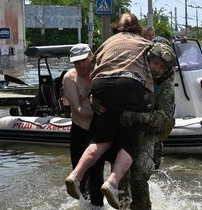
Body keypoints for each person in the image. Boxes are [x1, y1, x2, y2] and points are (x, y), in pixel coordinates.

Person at [65, 13, 155, 209]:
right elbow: (152, 66)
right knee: (130, 142)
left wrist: (95, 98)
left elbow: (97, 66)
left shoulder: (107, 42)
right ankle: (112, 182)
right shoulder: (143, 43)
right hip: (129, 84)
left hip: (101, 86)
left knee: (101, 139)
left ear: (116, 29)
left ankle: (76, 175)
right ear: (137, 29)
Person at [118, 39, 176, 210]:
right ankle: (123, 205)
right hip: (126, 131)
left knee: (139, 175)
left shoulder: (166, 86)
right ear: (148, 59)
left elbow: (164, 116)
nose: (157, 69)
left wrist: (137, 117)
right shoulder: (134, 72)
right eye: (155, 63)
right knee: (122, 176)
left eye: (161, 67)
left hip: (149, 134)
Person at [62, 43, 107, 207]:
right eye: (76, 62)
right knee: (80, 176)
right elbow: (78, 109)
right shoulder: (69, 78)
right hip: (80, 132)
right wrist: (96, 107)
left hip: (97, 132)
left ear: (91, 57)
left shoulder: (100, 74)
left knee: (97, 175)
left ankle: (98, 205)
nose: (80, 65)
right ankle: (84, 205)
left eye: (83, 61)